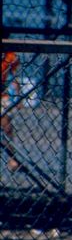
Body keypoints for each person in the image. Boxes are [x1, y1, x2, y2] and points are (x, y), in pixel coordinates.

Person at [2, 36, 22, 172]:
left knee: (6, 126)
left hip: (2, 94)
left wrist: (19, 96)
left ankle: (11, 157)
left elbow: (15, 77)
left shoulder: (9, 56)